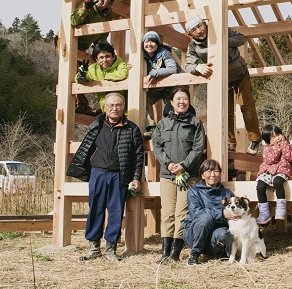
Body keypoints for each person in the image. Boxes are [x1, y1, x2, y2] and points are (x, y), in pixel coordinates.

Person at [66, 93, 144, 262]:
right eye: (111, 106)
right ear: (105, 108)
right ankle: (94, 249)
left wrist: (136, 177)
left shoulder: (132, 128)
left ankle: (110, 250)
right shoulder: (97, 124)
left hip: (119, 175)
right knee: (95, 210)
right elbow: (86, 148)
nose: (114, 108)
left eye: (118, 105)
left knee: (116, 212)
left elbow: (138, 156)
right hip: (98, 173)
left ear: (123, 107)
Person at [184, 15, 262, 154]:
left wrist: (225, 40)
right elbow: (188, 65)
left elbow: (241, 38)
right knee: (225, 110)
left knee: (246, 105)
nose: (199, 31)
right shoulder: (193, 47)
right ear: (190, 34)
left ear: (204, 24)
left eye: (200, 26)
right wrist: (198, 68)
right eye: (194, 30)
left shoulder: (220, 31)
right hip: (220, 79)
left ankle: (255, 139)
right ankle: (230, 142)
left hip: (239, 72)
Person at [151, 87, 206, 263]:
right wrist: (168, 164)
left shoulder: (195, 122)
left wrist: (183, 165)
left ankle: (175, 254)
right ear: (172, 102)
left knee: (181, 213)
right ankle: (165, 253)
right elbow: (156, 146)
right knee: (167, 213)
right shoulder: (162, 123)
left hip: (189, 175)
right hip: (167, 175)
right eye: (178, 99)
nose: (182, 102)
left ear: (189, 102)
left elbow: (198, 148)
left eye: (185, 99)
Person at [70, 0, 117, 115]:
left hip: (84, 47)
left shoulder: (108, 14)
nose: (101, 0)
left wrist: (98, 52)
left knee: (86, 72)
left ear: (110, 4)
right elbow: (74, 22)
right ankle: (82, 105)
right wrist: (85, 8)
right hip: (69, 42)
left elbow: (103, 34)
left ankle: (83, 105)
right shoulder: (88, 4)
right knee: (73, 72)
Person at [183, 159, 235, 266]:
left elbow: (234, 213)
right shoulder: (193, 192)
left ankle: (222, 252)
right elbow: (196, 213)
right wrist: (222, 213)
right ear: (202, 175)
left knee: (224, 233)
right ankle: (195, 254)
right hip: (195, 234)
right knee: (205, 218)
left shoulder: (227, 193)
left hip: (215, 235)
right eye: (209, 171)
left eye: (216, 171)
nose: (213, 175)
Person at [142, 31, 182, 134]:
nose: (149, 44)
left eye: (152, 41)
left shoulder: (164, 53)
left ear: (157, 43)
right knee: (144, 99)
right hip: (159, 89)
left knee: (169, 112)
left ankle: (176, 132)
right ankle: (151, 127)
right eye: (146, 42)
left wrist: (152, 73)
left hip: (173, 89)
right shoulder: (143, 57)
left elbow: (173, 69)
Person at [255, 124, 292, 225]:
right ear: (268, 139)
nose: (277, 138)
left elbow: (291, 157)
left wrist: (284, 145)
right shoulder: (267, 148)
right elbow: (269, 160)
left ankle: (281, 208)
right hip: (268, 171)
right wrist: (277, 148)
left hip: (283, 170)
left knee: (277, 182)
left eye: (278, 134)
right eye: (273, 137)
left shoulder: (288, 144)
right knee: (260, 186)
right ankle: (264, 212)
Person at [75, 41, 129, 116]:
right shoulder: (94, 69)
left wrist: (104, 78)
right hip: (105, 110)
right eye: (101, 57)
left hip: (124, 111)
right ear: (96, 60)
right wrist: (81, 74)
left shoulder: (120, 64)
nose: (105, 60)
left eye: (107, 56)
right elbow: (81, 79)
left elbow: (123, 73)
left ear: (113, 56)